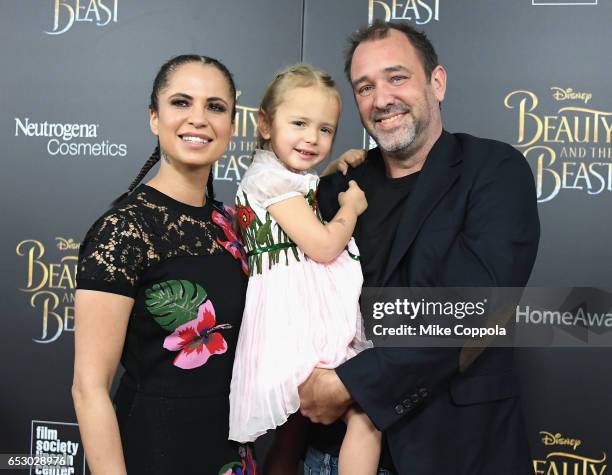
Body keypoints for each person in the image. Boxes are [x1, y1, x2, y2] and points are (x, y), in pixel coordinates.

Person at [300, 20, 540, 475]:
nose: (382, 99)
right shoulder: (337, 188)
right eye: (365, 87)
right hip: (330, 454)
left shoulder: (493, 170)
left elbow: (475, 309)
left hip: (457, 451)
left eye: (397, 77)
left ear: (437, 82)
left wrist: (349, 385)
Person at [72, 55, 258, 475]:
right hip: (152, 452)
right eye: (180, 103)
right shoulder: (123, 230)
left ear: (231, 124)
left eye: (215, 106)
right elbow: (89, 388)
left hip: (231, 451)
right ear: (155, 118)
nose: (198, 119)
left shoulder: (235, 225)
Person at [227, 64, 381, 475]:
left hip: (289, 315)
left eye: (326, 130)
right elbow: (325, 245)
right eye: (299, 123)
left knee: (294, 433)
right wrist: (349, 208)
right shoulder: (272, 183)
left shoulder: (274, 175)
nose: (312, 138)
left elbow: (304, 186)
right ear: (264, 123)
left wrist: (331, 170)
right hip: (296, 321)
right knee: (366, 414)